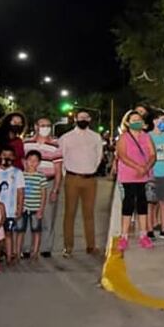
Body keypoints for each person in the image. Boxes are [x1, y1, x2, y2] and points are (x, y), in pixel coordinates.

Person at [58, 109, 104, 257]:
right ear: (75, 119)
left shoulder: (96, 137)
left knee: (89, 214)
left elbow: (98, 157)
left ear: (90, 119)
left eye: (86, 117)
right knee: (70, 213)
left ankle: (91, 246)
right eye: (80, 117)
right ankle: (68, 246)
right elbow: (61, 157)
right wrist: (67, 175)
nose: (83, 119)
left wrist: (91, 169)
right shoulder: (66, 138)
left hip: (90, 179)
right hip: (72, 178)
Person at [22, 117, 63, 258]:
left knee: (47, 216)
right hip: (29, 183)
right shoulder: (27, 144)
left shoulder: (55, 145)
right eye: (42, 125)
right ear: (36, 126)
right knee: (27, 215)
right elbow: (23, 164)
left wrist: (55, 189)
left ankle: (46, 247)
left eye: (47, 125)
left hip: (48, 181)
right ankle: (26, 248)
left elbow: (58, 170)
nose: (45, 128)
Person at [115, 110, 156, 253]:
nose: (137, 121)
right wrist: (138, 167)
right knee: (128, 202)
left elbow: (153, 154)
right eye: (133, 120)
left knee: (142, 202)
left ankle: (143, 235)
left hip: (143, 175)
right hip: (128, 175)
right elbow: (122, 155)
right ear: (127, 122)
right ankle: (124, 236)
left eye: (139, 119)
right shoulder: (124, 137)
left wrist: (146, 167)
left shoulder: (146, 137)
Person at [146, 111, 164, 241]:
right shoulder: (148, 137)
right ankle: (149, 230)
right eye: (161, 120)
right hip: (152, 175)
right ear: (154, 121)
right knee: (151, 203)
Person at [16, 151, 48, 260]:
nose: (32, 163)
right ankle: (17, 251)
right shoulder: (21, 175)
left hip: (35, 207)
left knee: (36, 230)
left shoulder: (41, 176)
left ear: (39, 163)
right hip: (23, 208)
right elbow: (18, 192)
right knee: (20, 230)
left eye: (35, 161)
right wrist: (18, 207)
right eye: (30, 160)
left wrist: (41, 209)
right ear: (25, 161)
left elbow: (44, 194)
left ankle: (35, 252)